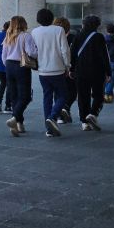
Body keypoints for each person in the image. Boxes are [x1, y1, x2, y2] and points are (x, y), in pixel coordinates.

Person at [30, 8, 71, 137]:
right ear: (51, 18)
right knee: (63, 96)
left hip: (43, 71)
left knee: (47, 97)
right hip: (58, 69)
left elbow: (33, 52)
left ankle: (49, 128)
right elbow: (65, 50)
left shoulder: (35, 32)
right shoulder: (59, 30)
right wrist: (67, 65)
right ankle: (52, 117)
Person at [71, 14, 109, 131]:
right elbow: (104, 56)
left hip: (81, 71)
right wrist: (109, 72)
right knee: (98, 95)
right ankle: (93, 113)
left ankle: (84, 122)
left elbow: (73, 54)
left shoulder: (78, 36)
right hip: (97, 71)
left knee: (83, 96)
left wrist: (71, 69)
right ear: (97, 25)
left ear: (84, 24)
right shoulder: (99, 37)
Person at [2, 16, 36, 134]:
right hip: (21, 66)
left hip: (9, 65)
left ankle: (18, 124)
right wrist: (37, 53)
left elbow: (3, 55)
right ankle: (15, 117)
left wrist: (7, 65)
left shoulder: (8, 37)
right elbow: (31, 52)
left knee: (14, 95)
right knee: (26, 96)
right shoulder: (26, 36)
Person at [53, 17, 77, 123]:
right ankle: (65, 109)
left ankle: (60, 115)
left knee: (57, 92)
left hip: (54, 68)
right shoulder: (73, 38)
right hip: (69, 68)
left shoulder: (52, 38)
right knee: (72, 91)